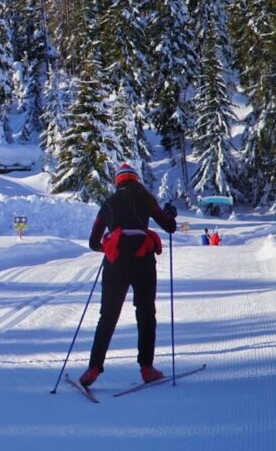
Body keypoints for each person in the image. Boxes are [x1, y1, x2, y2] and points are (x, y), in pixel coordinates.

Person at [79, 163, 178, 387]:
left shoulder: (109, 203)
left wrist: (113, 247)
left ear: (117, 182)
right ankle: (146, 368)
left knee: (108, 316)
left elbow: (93, 242)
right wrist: (170, 213)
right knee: (145, 313)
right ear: (135, 180)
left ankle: (94, 368)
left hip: (116, 265)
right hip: (144, 261)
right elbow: (169, 227)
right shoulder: (146, 199)